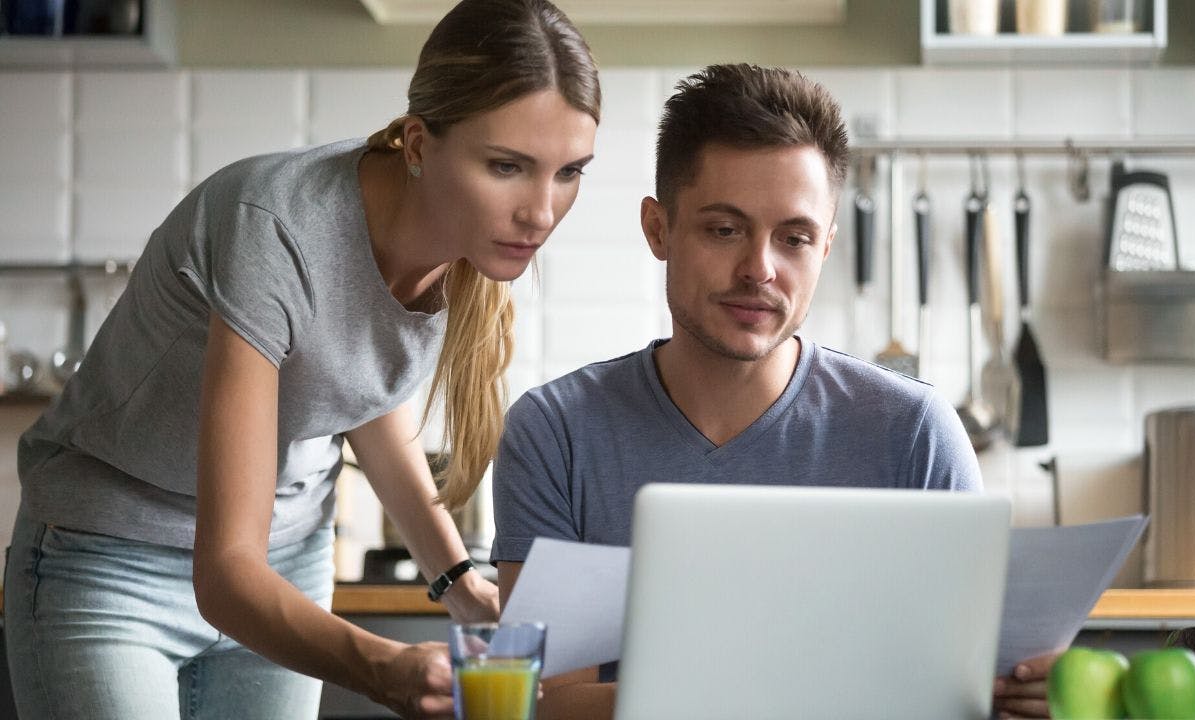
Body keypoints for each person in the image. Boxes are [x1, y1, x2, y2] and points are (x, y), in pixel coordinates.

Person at [3, 1, 598, 718]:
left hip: (287, 568)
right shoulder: (277, 227)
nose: (542, 212)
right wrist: (383, 669)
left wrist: (461, 580)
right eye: (507, 166)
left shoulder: (468, 247)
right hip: (109, 558)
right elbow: (225, 574)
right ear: (417, 144)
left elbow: (363, 399)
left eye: (569, 172)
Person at [490, 63, 1054, 720]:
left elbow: (959, 691)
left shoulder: (914, 432)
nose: (761, 268)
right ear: (659, 230)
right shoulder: (557, 432)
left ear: (826, 247)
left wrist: (1029, 689)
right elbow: (549, 701)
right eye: (724, 229)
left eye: (795, 238)